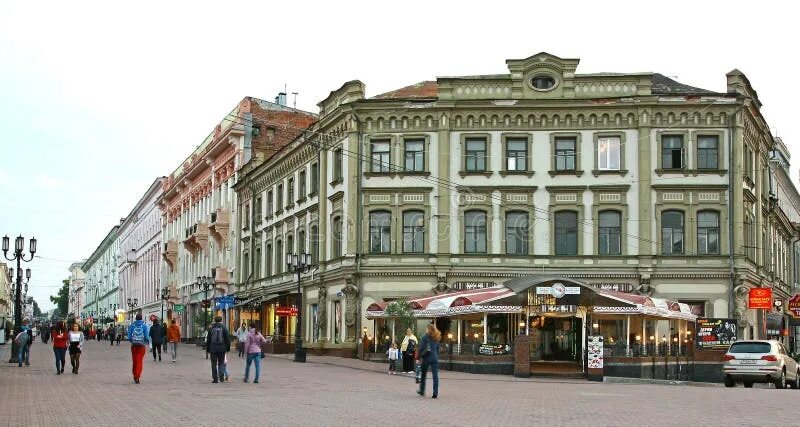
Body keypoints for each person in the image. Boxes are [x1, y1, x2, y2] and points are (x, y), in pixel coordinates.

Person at [416, 323, 441, 399]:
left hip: (426, 358)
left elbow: (421, 348)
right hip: (435, 358)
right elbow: (437, 349)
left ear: (428, 329)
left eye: (426, 328)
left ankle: (422, 390)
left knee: (423, 375)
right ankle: (435, 393)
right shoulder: (436, 336)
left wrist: (418, 357)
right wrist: (436, 356)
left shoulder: (425, 337)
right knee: (435, 376)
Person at [205, 316, 231, 383]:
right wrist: (228, 348)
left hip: (213, 348)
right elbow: (227, 339)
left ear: (215, 320)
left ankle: (215, 379)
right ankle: (221, 378)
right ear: (221, 320)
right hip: (222, 348)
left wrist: (208, 349)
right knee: (221, 363)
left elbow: (208, 340)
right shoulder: (224, 328)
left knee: (213, 364)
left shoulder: (211, 328)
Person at [128, 313, 151, 384]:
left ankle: (134, 375)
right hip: (141, 346)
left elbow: (129, 337)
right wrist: (146, 342)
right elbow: (147, 336)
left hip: (134, 346)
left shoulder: (132, 326)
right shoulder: (144, 326)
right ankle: (137, 376)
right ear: (141, 319)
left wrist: (133, 341)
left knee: (135, 361)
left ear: (136, 319)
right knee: (139, 361)